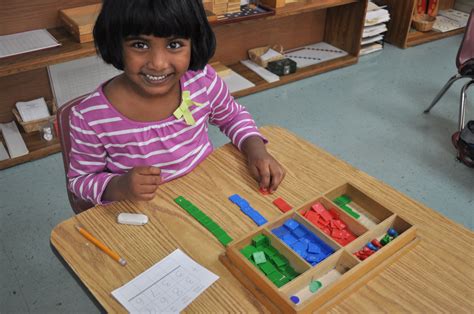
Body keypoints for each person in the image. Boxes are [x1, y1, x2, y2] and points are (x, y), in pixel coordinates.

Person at [67, 0, 285, 205]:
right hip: (142, 214)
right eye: (140, 44)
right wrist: (120, 186)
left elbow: (232, 117)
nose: (158, 64)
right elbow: (80, 180)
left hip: (205, 195)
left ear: (194, 43)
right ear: (115, 44)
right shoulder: (89, 117)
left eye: (174, 44)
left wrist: (256, 149)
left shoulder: (202, 81)